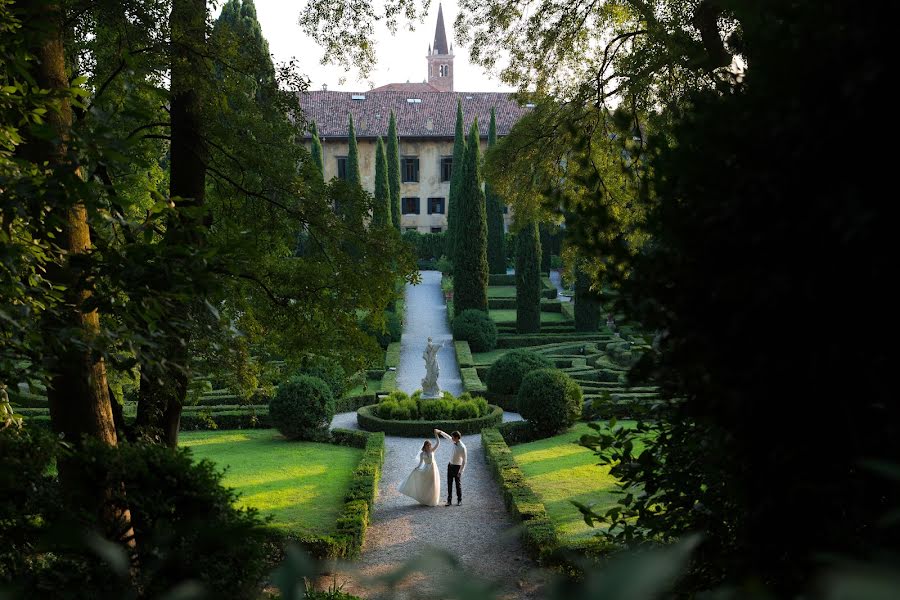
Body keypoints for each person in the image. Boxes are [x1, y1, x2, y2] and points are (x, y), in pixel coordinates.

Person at [398, 428, 442, 506]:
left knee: (433, 484)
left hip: (434, 469)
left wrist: (436, 435)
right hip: (427, 469)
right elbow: (421, 463)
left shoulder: (432, 450)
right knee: (427, 484)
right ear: (424, 446)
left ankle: (433, 500)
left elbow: (438, 443)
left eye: (429, 445)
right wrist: (417, 468)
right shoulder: (422, 454)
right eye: (427, 446)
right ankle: (427, 500)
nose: (429, 447)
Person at [436, 429, 466, 506]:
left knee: (457, 485)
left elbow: (464, 461)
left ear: (456, 438)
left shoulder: (462, 447)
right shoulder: (453, 441)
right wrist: (440, 432)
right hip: (450, 465)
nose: (451, 439)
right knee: (449, 483)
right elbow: (447, 437)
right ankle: (449, 500)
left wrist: (460, 472)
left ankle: (459, 500)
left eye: (453, 437)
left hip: (457, 467)